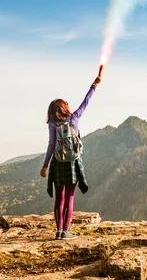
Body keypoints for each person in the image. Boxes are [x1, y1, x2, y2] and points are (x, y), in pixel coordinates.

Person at [41, 70, 102, 240]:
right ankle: (66, 231)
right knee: (69, 197)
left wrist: (45, 165)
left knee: (59, 198)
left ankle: (58, 231)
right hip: (72, 163)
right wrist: (94, 85)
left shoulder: (53, 123)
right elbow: (86, 101)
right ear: (64, 108)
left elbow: (51, 145)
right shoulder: (74, 118)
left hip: (57, 162)